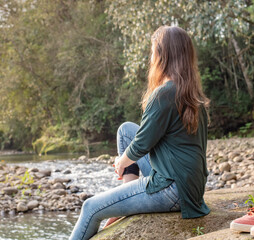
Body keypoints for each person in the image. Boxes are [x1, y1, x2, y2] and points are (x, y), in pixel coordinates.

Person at [69, 25, 211, 240]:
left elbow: (142, 144)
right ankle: (128, 198)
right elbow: (142, 137)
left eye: (153, 51)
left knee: (90, 208)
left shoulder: (164, 94)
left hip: (173, 189)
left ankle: (126, 201)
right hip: (191, 185)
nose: (151, 57)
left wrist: (121, 162)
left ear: (163, 56)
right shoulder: (190, 93)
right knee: (126, 130)